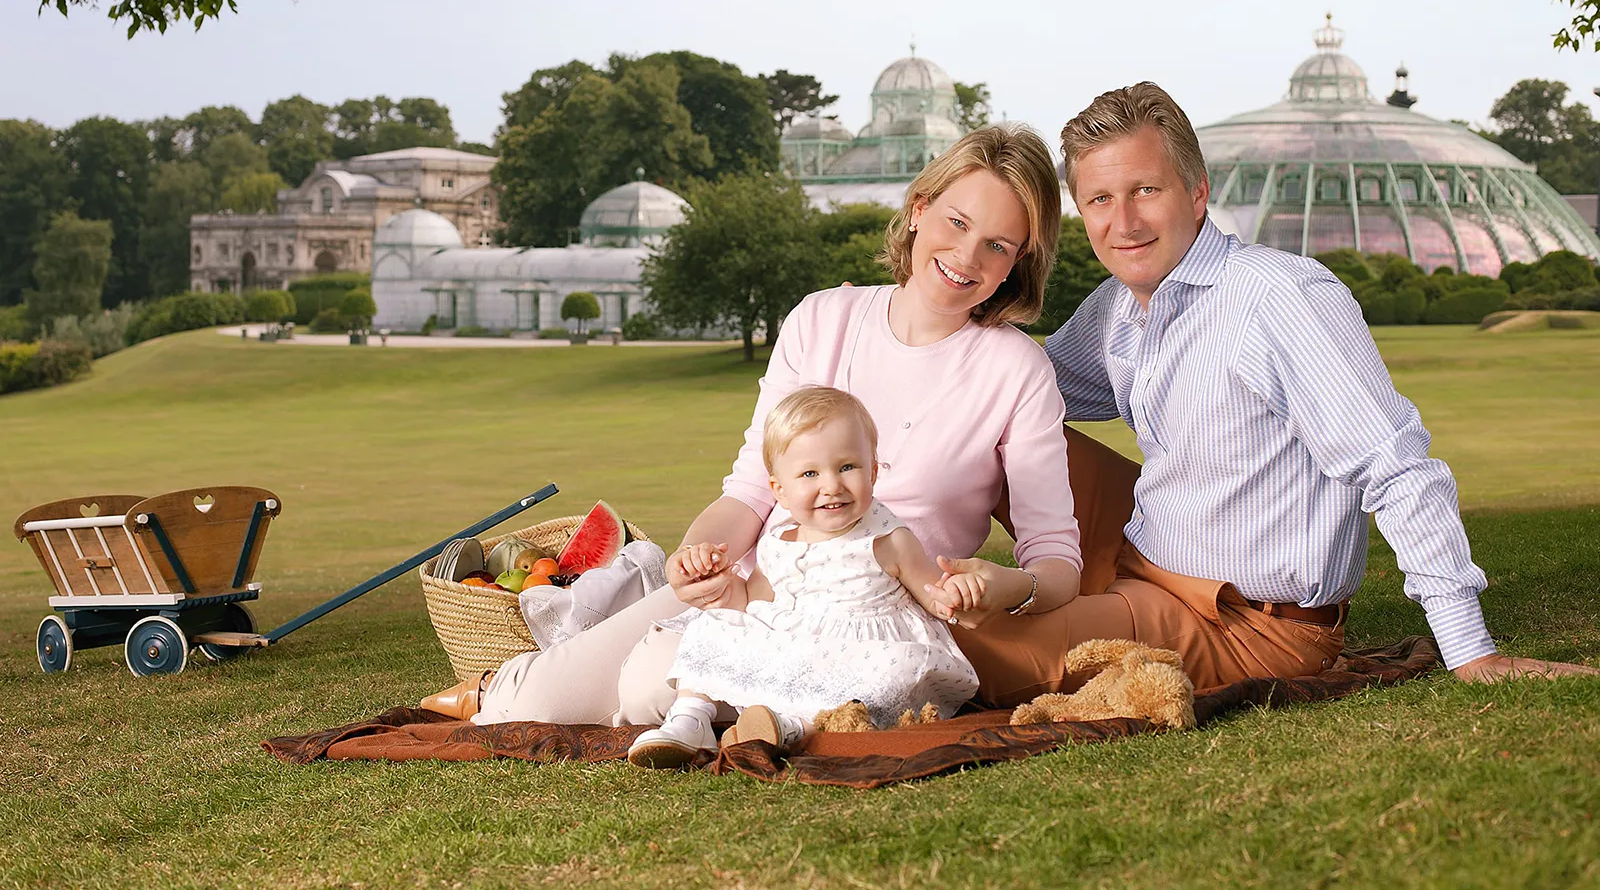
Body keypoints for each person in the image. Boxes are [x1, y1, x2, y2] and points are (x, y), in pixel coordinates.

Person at [948, 81, 1599, 703]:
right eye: (1099, 199)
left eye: (1146, 188)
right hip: (1143, 542)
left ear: (1198, 193)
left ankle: (932, 624)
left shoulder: (1279, 298)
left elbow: (1398, 467)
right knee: (989, 419)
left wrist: (1470, 647)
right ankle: (872, 574)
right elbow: (1017, 383)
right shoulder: (1120, 306)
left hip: (1243, 619)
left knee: (956, 653)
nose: (1124, 221)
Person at [419, 123, 1089, 724]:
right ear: (919, 210)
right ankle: (503, 686)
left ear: (1018, 262)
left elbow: (1057, 560)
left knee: (652, 688)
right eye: (956, 222)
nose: (968, 257)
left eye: (999, 245)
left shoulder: (1016, 370)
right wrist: (696, 560)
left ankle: (641, 680)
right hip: (753, 593)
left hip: (867, 627)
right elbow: (749, 490)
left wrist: (1008, 587)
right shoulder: (821, 320)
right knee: (528, 707)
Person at [627, 386, 981, 768]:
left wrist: (955, 593)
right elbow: (754, 604)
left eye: (848, 467)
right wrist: (728, 592)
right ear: (780, 490)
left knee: (895, 672)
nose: (832, 485)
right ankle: (690, 718)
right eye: (810, 473)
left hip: (861, 652)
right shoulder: (779, 541)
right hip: (794, 646)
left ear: (874, 471)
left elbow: (935, 595)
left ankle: (795, 727)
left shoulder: (889, 540)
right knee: (710, 624)